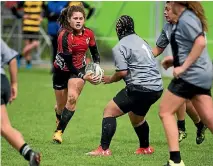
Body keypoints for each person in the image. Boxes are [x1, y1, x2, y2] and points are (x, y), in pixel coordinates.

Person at [87, 15, 163, 156]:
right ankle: (145, 148)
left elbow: (122, 72)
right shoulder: (142, 41)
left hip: (139, 88)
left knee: (109, 111)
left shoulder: (120, 46)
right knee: (136, 117)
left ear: (119, 29)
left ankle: (103, 149)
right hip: (157, 88)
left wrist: (109, 79)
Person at [158, 2, 213, 166]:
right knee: (209, 118)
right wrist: (175, 60)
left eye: (169, 5)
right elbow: (190, 48)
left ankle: (175, 161)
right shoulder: (185, 19)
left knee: (165, 111)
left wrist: (183, 66)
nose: (167, 8)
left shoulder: (187, 19)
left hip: (191, 75)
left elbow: (200, 43)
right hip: (202, 73)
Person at [52, 5, 101, 144]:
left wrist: (95, 68)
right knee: (60, 107)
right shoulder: (64, 35)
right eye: (75, 18)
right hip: (62, 70)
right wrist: (83, 75)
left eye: (81, 18)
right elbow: (69, 64)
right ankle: (59, 115)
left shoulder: (89, 34)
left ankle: (59, 132)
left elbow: (95, 54)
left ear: (84, 19)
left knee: (72, 98)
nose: (78, 21)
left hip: (79, 68)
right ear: (69, 19)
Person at [1, 39, 41, 166]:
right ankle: (30, 154)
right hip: (3, 82)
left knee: (3, 127)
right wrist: (14, 84)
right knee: (5, 127)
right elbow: (12, 59)